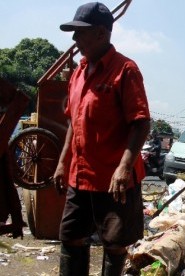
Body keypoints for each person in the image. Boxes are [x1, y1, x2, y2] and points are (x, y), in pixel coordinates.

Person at [52, 2, 150, 276]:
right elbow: (74, 122)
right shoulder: (78, 74)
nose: (75, 39)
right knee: (70, 236)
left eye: (80, 32)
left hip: (113, 180)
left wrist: (124, 167)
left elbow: (141, 123)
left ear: (101, 33)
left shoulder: (125, 70)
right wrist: (63, 163)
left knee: (115, 245)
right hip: (80, 176)